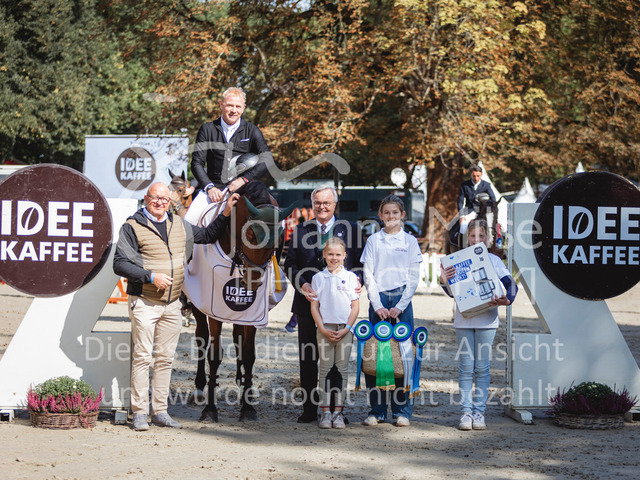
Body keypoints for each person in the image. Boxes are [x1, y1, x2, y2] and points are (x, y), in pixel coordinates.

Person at [113, 182, 239, 431]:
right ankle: (140, 412)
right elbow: (119, 263)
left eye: (164, 199)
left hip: (172, 304)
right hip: (145, 301)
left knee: (165, 359)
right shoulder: (132, 226)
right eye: (155, 198)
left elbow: (207, 235)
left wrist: (225, 213)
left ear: (169, 202)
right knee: (142, 358)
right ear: (146, 199)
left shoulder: (179, 224)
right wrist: (150, 276)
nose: (159, 202)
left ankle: (160, 411)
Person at [284, 186, 364, 423]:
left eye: (326, 203)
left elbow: (360, 263)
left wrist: (358, 280)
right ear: (312, 204)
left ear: (334, 204)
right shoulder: (300, 230)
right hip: (308, 305)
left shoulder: (352, 230)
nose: (322, 207)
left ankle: (337, 411)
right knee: (309, 359)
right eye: (317, 202)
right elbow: (290, 264)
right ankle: (310, 409)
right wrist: (302, 284)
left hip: (340, 309)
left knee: (338, 363)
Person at [439, 218, 518, 431]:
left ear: (488, 238)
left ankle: (479, 412)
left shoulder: (494, 260)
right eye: (473, 236)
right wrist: (443, 279)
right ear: (467, 238)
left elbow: (511, 284)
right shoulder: (456, 260)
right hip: (463, 320)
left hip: (487, 321)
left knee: (482, 368)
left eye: (481, 236)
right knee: (466, 368)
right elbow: (451, 293)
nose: (476, 240)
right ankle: (466, 412)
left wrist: (508, 299)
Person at [360, 195, 423, 427]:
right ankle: (376, 410)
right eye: (386, 212)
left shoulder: (410, 241)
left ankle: (402, 411)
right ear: (380, 215)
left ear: (402, 215)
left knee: (403, 357)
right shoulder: (373, 241)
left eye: (395, 212)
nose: (390, 216)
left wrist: (400, 306)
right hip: (378, 299)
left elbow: (413, 277)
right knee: (376, 356)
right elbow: (368, 274)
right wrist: (377, 305)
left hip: (401, 300)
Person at [310, 237, 360, 429]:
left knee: (342, 370)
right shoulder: (318, 278)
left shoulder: (351, 277)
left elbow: (355, 306)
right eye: (330, 254)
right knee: (324, 370)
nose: (334, 258)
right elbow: (314, 307)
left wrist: (347, 328)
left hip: (345, 330)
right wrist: (322, 328)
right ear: (324, 255)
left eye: (338, 254)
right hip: (325, 329)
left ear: (344, 256)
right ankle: (325, 412)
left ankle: (338, 412)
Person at [191, 87, 270, 202]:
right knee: (191, 214)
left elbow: (267, 158)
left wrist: (243, 180)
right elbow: (197, 162)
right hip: (214, 190)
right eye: (229, 105)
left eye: (238, 106)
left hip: (245, 188)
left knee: (269, 208)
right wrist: (209, 187)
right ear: (221, 105)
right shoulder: (207, 129)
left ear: (243, 108)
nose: (234, 110)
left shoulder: (252, 130)